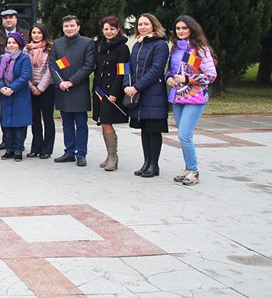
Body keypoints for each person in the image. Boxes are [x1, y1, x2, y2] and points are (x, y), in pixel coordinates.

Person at [167, 15, 217, 186]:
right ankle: (188, 168)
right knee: (182, 136)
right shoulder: (175, 48)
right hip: (177, 97)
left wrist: (188, 79)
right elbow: (170, 70)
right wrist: (169, 79)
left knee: (184, 135)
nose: (180, 31)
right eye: (178, 28)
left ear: (192, 29)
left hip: (195, 98)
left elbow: (211, 76)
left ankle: (194, 170)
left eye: (184, 28)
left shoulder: (201, 49)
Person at [125, 13, 170, 178]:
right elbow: (128, 67)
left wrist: (137, 87)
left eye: (146, 24)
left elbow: (156, 70)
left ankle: (154, 165)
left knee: (153, 130)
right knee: (144, 130)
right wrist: (127, 85)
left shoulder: (160, 45)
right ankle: (146, 162)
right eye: (140, 24)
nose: (142, 27)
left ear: (154, 25)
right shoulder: (137, 44)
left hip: (153, 94)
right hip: (138, 93)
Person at [51, 15, 95, 166]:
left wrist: (72, 81)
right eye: (66, 26)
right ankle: (69, 151)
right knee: (66, 123)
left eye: (71, 26)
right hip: (62, 89)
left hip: (79, 89)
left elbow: (89, 65)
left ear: (78, 27)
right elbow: (54, 65)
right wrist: (61, 82)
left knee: (81, 124)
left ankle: (81, 153)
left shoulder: (87, 43)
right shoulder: (57, 44)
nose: (68, 29)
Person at [92, 16, 130, 171]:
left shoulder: (122, 48)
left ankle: (113, 157)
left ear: (118, 30)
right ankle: (110, 155)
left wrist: (115, 92)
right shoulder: (101, 46)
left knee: (107, 122)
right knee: (103, 122)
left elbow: (123, 72)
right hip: (99, 91)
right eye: (106, 29)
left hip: (112, 92)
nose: (109, 32)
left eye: (112, 29)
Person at [0, 33, 33, 161]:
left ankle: (18, 150)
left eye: (14, 43)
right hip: (5, 95)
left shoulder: (24, 58)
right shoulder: (1, 58)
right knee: (7, 125)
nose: (11, 45)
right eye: (9, 42)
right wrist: (1, 88)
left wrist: (12, 88)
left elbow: (25, 76)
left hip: (19, 95)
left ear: (19, 45)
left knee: (19, 125)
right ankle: (9, 149)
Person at [25, 23, 55, 159]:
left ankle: (47, 149)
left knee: (48, 119)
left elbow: (50, 70)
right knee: (34, 119)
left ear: (44, 34)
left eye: (39, 33)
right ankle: (35, 147)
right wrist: (32, 87)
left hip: (47, 88)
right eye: (34, 33)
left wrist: (40, 88)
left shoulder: (50, 49)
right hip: (31, 88)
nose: (36, 35)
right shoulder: (27, 49)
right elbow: (24, 70)